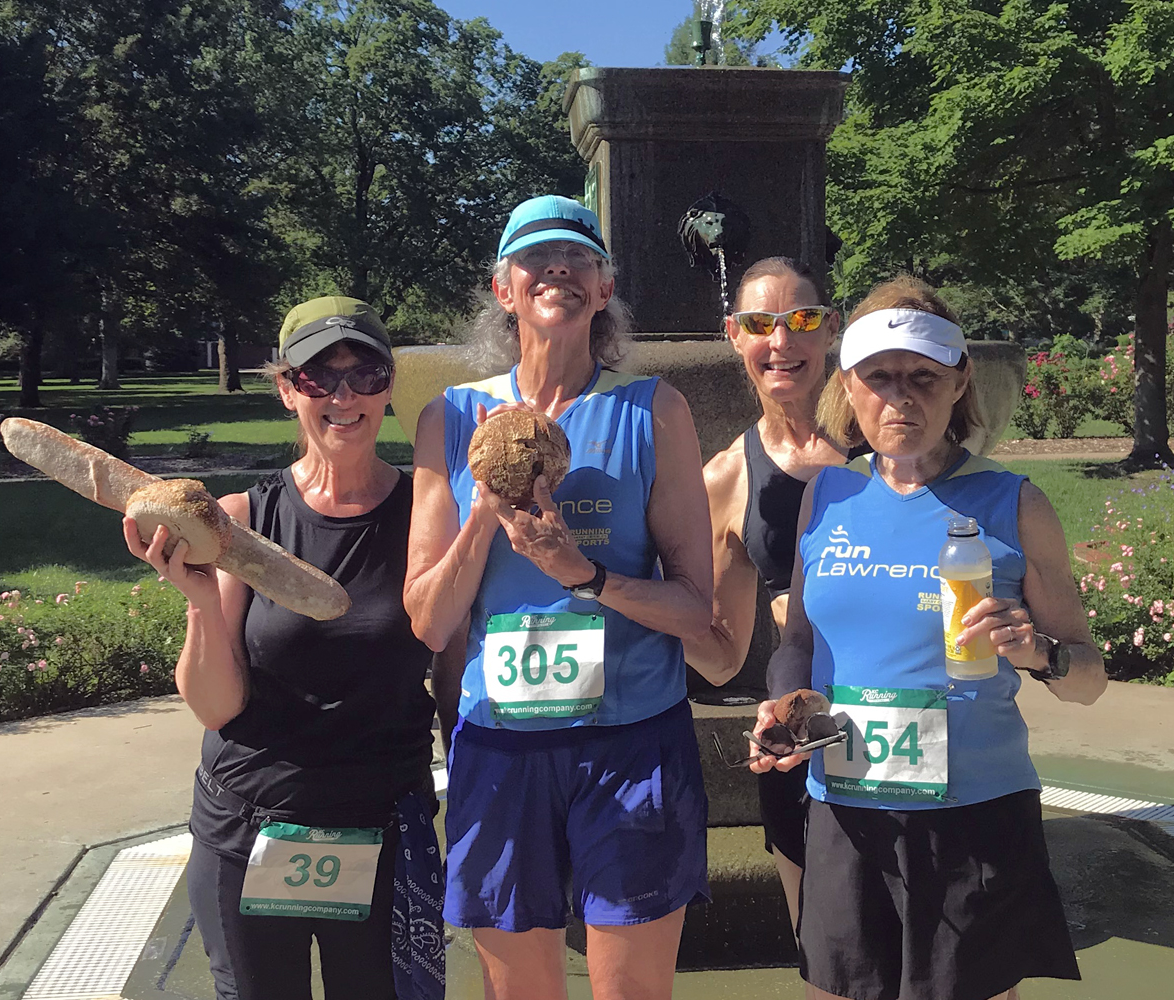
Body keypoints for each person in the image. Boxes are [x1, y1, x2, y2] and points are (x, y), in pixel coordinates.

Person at [750, 276, 1106, 1000]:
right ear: (847, 385)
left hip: (973, 818)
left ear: (959, 380)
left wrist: (1037, 651)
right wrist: (786, 703)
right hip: (847, 809)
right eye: (878, 378)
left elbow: (1089, 679)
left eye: (922, 378)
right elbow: (800, 637)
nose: (900, 398)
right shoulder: (830, 494)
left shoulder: (1013, 502)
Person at [403, 195, 714, 1000]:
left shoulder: (655, 411)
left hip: (634, 741)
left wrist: (587, 575)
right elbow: (430, 619)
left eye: (579, 258)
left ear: (605, 288)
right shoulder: (453, 417)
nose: (559, 271)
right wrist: (484, 511)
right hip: (503, 746)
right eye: (536, 258)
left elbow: (695, 611)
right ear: (503, 288)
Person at [123, 296, 444, 1000]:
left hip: (381, 827)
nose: (344, 396)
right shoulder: (240, 525)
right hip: (250, 826)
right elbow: (216, 708)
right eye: (317, 378)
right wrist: (203, 602)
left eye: (366, 374)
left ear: (389, 385)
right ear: (285, 389)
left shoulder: (428, 515)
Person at [682, 256, 860, 934]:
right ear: (734, 335)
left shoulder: (883, 442)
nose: (781, 342)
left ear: (830, 328)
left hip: (906, 718)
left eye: (803, 320)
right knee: (824, 950)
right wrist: (615, 589)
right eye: (760, 324)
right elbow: (722, 659)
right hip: (799, 730)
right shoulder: (728, 476)